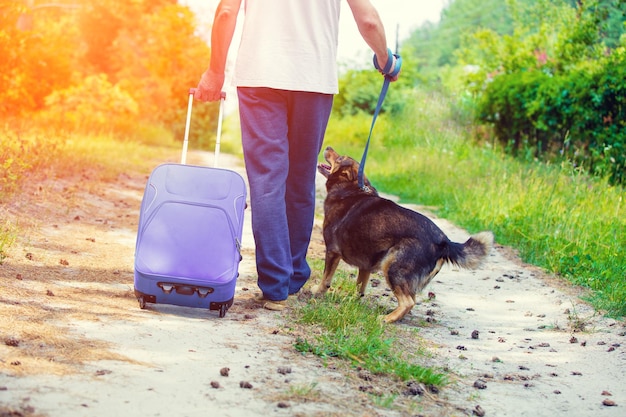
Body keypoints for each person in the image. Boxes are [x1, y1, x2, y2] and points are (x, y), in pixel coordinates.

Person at [195, 0, 400, 311]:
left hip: (259, 77)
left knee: (267, 181)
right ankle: (291, 279)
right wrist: (385, 59)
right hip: (312, 79)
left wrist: (215, 71)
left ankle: (275, 286)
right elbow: (368, 21)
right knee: (301, 179)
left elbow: (226, 12)